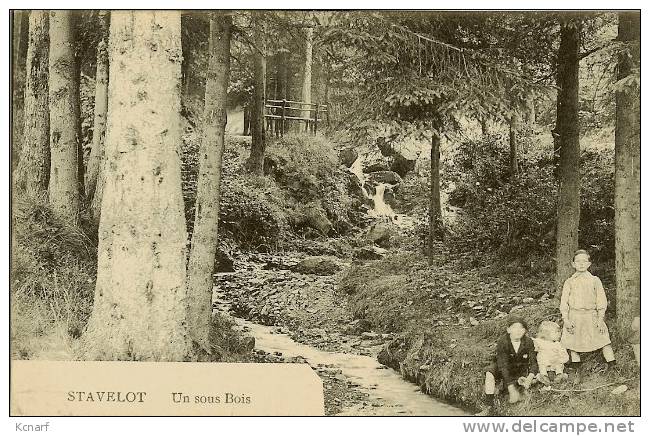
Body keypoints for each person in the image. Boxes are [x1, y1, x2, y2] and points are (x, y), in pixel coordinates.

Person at [560, 249, 616, 376]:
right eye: (578, 261)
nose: (581, 264)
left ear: (589, 264)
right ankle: (577, 369)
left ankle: (612, 366)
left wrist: (600, 319)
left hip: (592, 315)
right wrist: (566, 320)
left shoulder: (595, 280)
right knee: (573, 342)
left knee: (603, 339)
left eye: (584, 261)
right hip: (574, 315)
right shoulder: (569, 282)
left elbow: (601, 301)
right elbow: (564, 303)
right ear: (573, 264)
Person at [478, 316, 538, 415]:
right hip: (503, 366)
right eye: (515, 327)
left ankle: (515, 389)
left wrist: (530, 378)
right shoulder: (503, 341)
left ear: (525, 331)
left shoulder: (528, 342)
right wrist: (511, 388)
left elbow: (533, 362)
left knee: (525, 380)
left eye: (522, 328)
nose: (518, 331)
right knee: (489, 373)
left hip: (519, 368)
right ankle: (489, 407)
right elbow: (503, 365)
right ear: (508, 329)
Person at [533, 320, 569, 385]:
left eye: (559, 332)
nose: (559, 334)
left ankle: (559, 376)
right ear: (547, 334)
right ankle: (544, 377)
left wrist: (559, 360)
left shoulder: (558, 344)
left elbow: (565, 356)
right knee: (542, 366)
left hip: (555, 365)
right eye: (556, 332)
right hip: (545, 364)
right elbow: (532, 342)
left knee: (558, 365)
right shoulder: (540, 342)